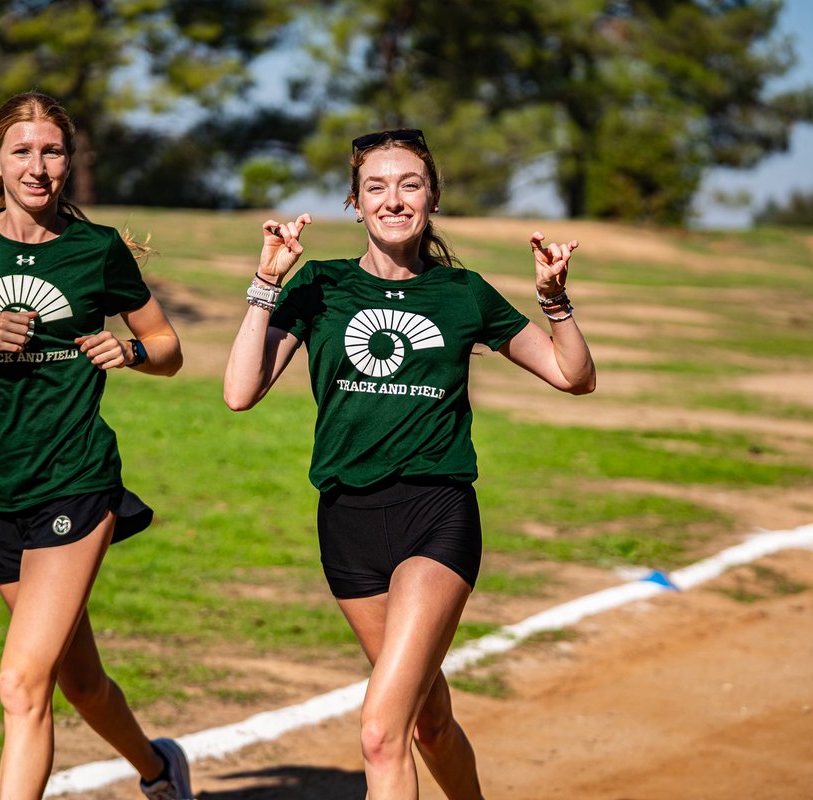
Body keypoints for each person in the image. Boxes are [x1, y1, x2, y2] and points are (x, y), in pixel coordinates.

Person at [223, 128, 595, 799]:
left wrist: (553, 297)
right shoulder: (320, 284)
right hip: (347, 525)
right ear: (356, 203)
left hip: (435, 515)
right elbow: (239, 392)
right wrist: (265, 283)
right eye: (377, 187)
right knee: (427, 722)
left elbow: (573, 376)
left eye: (409, 184)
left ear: (432, 198)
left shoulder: (463, 293)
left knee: (379, 730)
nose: (393, 200)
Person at [0, 92, 194, 800]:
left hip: (74, 479)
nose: (38, 165)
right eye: (22, 150)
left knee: (22, 684)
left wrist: (132, 349)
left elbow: (170, 349)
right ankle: (158, 769)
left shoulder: (97, 249)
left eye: (52, 151)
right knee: (78, 680)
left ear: (69, 162)